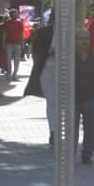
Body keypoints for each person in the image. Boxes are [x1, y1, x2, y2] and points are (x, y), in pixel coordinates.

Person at [73, 28, 94, 164]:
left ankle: (87, 154)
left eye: (86, 38)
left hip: (91, 98)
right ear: (76, 41)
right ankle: (71, 153)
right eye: (81, 39)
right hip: (73, 99)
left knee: (90, 128)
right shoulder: (70, 57)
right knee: (72, 129)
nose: (84, 41)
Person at [26, 14, 55, 146]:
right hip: (47, 69)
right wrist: (48, 52)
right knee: (52, 101)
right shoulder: (44, 32)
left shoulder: (70, 32)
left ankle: (62, 129)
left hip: (66, 71)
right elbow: (36, 50)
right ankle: (53, 131)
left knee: (64, 103)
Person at [1, 9, 24, 79]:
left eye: (16, 14)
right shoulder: (7, 23)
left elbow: (21, 34)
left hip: (17, 43)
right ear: (11, 15)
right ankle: (9, 73)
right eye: (13, 14)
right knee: (8, 59)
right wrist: (3, 43)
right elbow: (4, 34)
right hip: (8, 43)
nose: (15, 15)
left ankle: (15, 73)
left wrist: (22, 43)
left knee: (17, 60)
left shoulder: (20, 23)